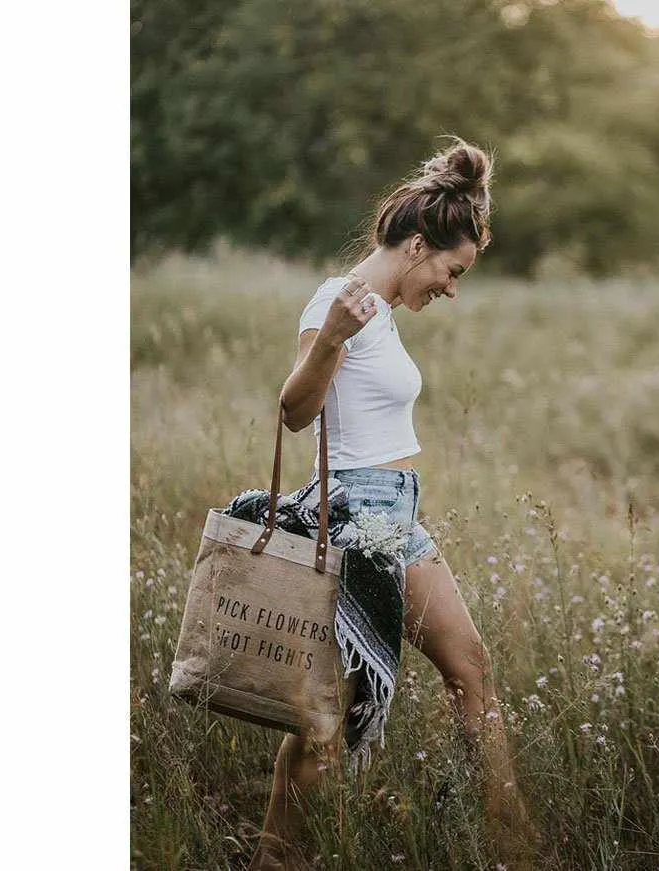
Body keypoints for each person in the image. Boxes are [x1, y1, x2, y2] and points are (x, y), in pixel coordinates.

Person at [248, 139, 539, 871]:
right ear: (417, 245)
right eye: (452, 269)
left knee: (470, 666)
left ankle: (512, 839)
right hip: (359, 517)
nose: (451, 286)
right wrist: (331, 342)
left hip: (396, 517)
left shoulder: (378, 310)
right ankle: (276, 857)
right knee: (328, 718)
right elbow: (293, 410)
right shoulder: (338, 303)